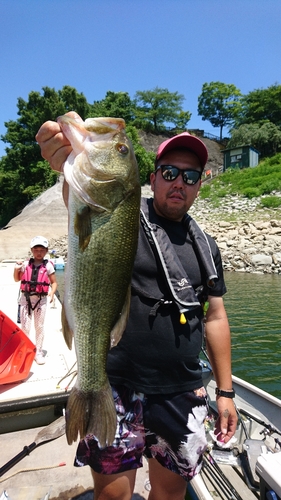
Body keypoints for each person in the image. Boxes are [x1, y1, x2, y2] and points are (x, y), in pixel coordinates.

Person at [36, 113, 237, 500]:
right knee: (112, 496)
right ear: (152, 178)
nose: (179, 182)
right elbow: (82, 200)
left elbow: (215, 317)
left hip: (181, 390)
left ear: (199, 187)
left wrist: (225, 392)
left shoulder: (206, 247)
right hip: (115, 383)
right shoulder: (126, 211)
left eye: (190, 176)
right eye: (169, 171)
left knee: (170, 494)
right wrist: (65, 161)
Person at [13, 236, 58, 365]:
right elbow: (17, 279)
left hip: (41, 301)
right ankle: (26, 349)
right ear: (32, 250)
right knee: (25, 327)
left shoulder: (48, 266)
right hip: (25, 299)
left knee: (39, 326)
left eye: (42, 250)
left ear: (46, 251)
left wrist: (52, 292)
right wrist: (16, 269)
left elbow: (54, 282)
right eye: (36, 249)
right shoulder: (26, 264)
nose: (39, 252)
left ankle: (38, 351)